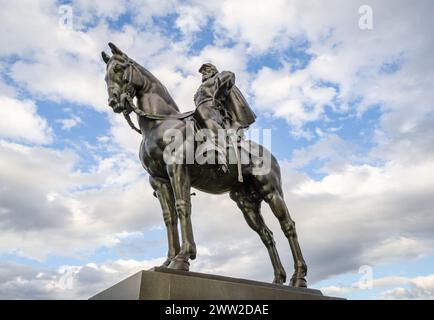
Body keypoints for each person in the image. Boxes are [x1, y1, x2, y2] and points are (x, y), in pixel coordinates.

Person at [194, 63, 256, 173]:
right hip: (199, 111)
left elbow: (229, 75)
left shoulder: (218, 77)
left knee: (204, 114)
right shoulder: (200, 88)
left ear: (213, 70)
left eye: (206, 70)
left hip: (213, 111)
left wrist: (218, 95)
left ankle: (219, 153)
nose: (204, 73)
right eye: (203, 72)